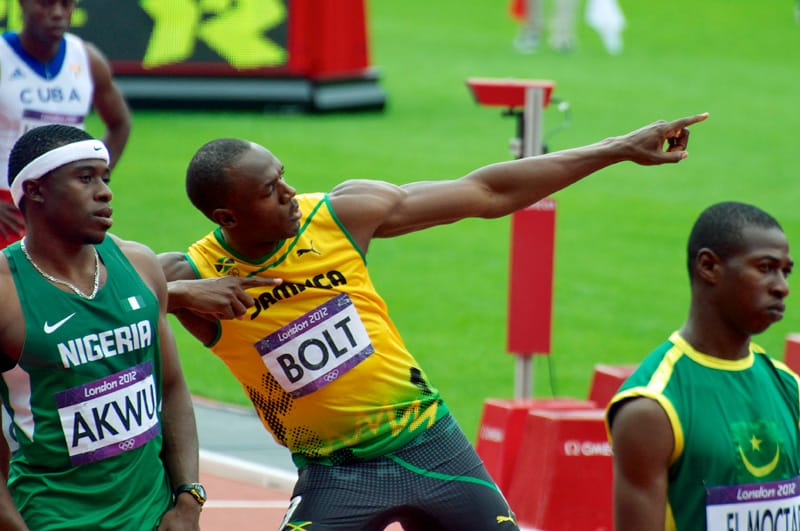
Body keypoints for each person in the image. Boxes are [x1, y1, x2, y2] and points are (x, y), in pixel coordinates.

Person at [159, 112, 708, 530]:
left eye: (283, 177)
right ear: (226, 216)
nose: (288, 194)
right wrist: (182, 292)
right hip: (334, 470)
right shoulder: (191, 273)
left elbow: (486, 192)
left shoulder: (338, 216)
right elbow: (88, 290)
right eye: (268, 192)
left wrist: (618, 148)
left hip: (431, 444)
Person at [0, 125, 201, 530]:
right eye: (85, 178)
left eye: (105, 178)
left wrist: (188, 498)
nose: (105, 192)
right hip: (54, 517)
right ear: (36, 190)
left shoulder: (139, 265)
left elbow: (173, 387)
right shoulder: (6, 291)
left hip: (154, 515)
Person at [606, 201, 798, 531]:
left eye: (785, 271)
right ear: (709, 266)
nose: (782, 286)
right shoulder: (653, 409)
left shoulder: (790, 387)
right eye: (765, 268)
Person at [0, 0, 132, 248]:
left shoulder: (86, 58)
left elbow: (120, 122)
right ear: (22, 4)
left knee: (79, 281)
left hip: (69, 204)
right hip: (9, 207)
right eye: (46, 4)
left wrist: (93, 177)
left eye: (66, 4)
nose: (58, 13)